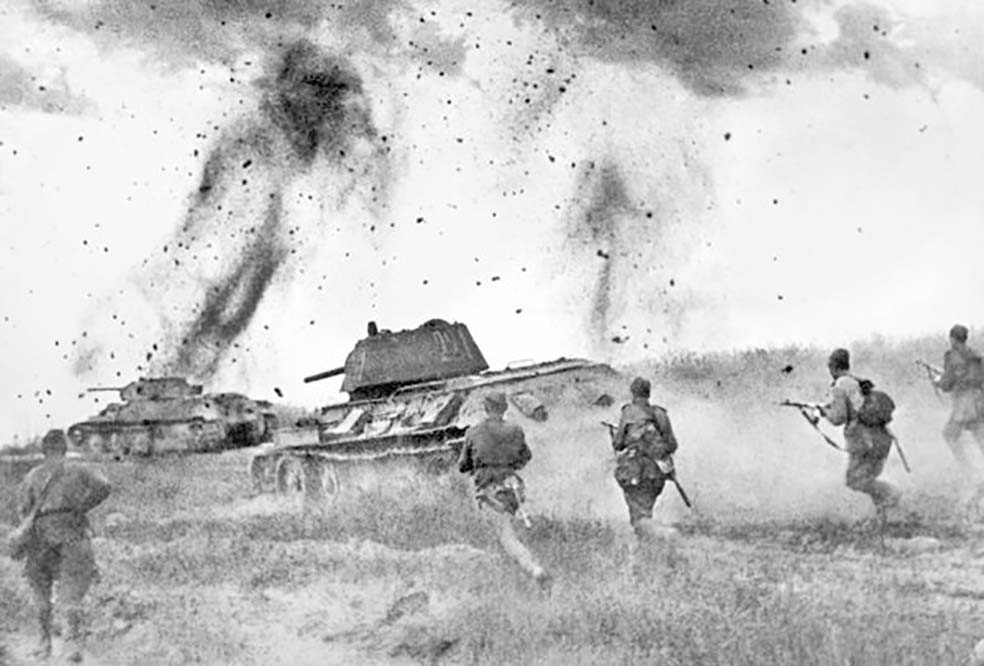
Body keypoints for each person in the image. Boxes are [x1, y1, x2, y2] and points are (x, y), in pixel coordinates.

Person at [17, 429, 112, 662]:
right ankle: (72, 647)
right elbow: (104, 486)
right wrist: (82, 506)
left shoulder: (32, 476)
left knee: (41, 595)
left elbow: (24, 510)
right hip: (72, 533)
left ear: (43, 450)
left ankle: (43, 645)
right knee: (71, 595)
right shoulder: (78, 469)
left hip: (41, 537)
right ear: (65, 448)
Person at [458, 392, 550, 589]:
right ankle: (518, 571)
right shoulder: (515, 429)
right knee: (507, 529)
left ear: (485, 408)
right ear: (505, 408)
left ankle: (535, 570)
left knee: (506, 537)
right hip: (513, 487)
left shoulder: (473, 432)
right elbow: (525, 457)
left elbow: (463, 466)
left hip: (490, 491)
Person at [816, 348, 900, 524]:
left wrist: (823, 413)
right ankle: (883, 516)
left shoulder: (840, 385)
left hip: (863, 441)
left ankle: (892, 494)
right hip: (880, 438)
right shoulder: (857, 382)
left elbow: (838, 418)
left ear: (833, 367)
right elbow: (854, 406)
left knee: (855, 481)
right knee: (866, 479)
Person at [610, 377, 679, 541]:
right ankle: (649, 543)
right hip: (656, 474)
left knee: (639, 517)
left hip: (633, 472)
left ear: (633, 393)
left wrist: (617, 436)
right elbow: (672, 444)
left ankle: (665, 535)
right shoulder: (660, 414)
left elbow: (618, 444)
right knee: (645, 512)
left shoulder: (628, 412)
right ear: (648, 393)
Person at [936, 324, 984, 469]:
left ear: (953, 339)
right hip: (978, 401)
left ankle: (967, 469)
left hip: (964, 404)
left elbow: (947, 384)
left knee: (949, 435)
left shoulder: (951, 356)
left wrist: (938, 382)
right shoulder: (976, 355)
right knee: (979, 437)